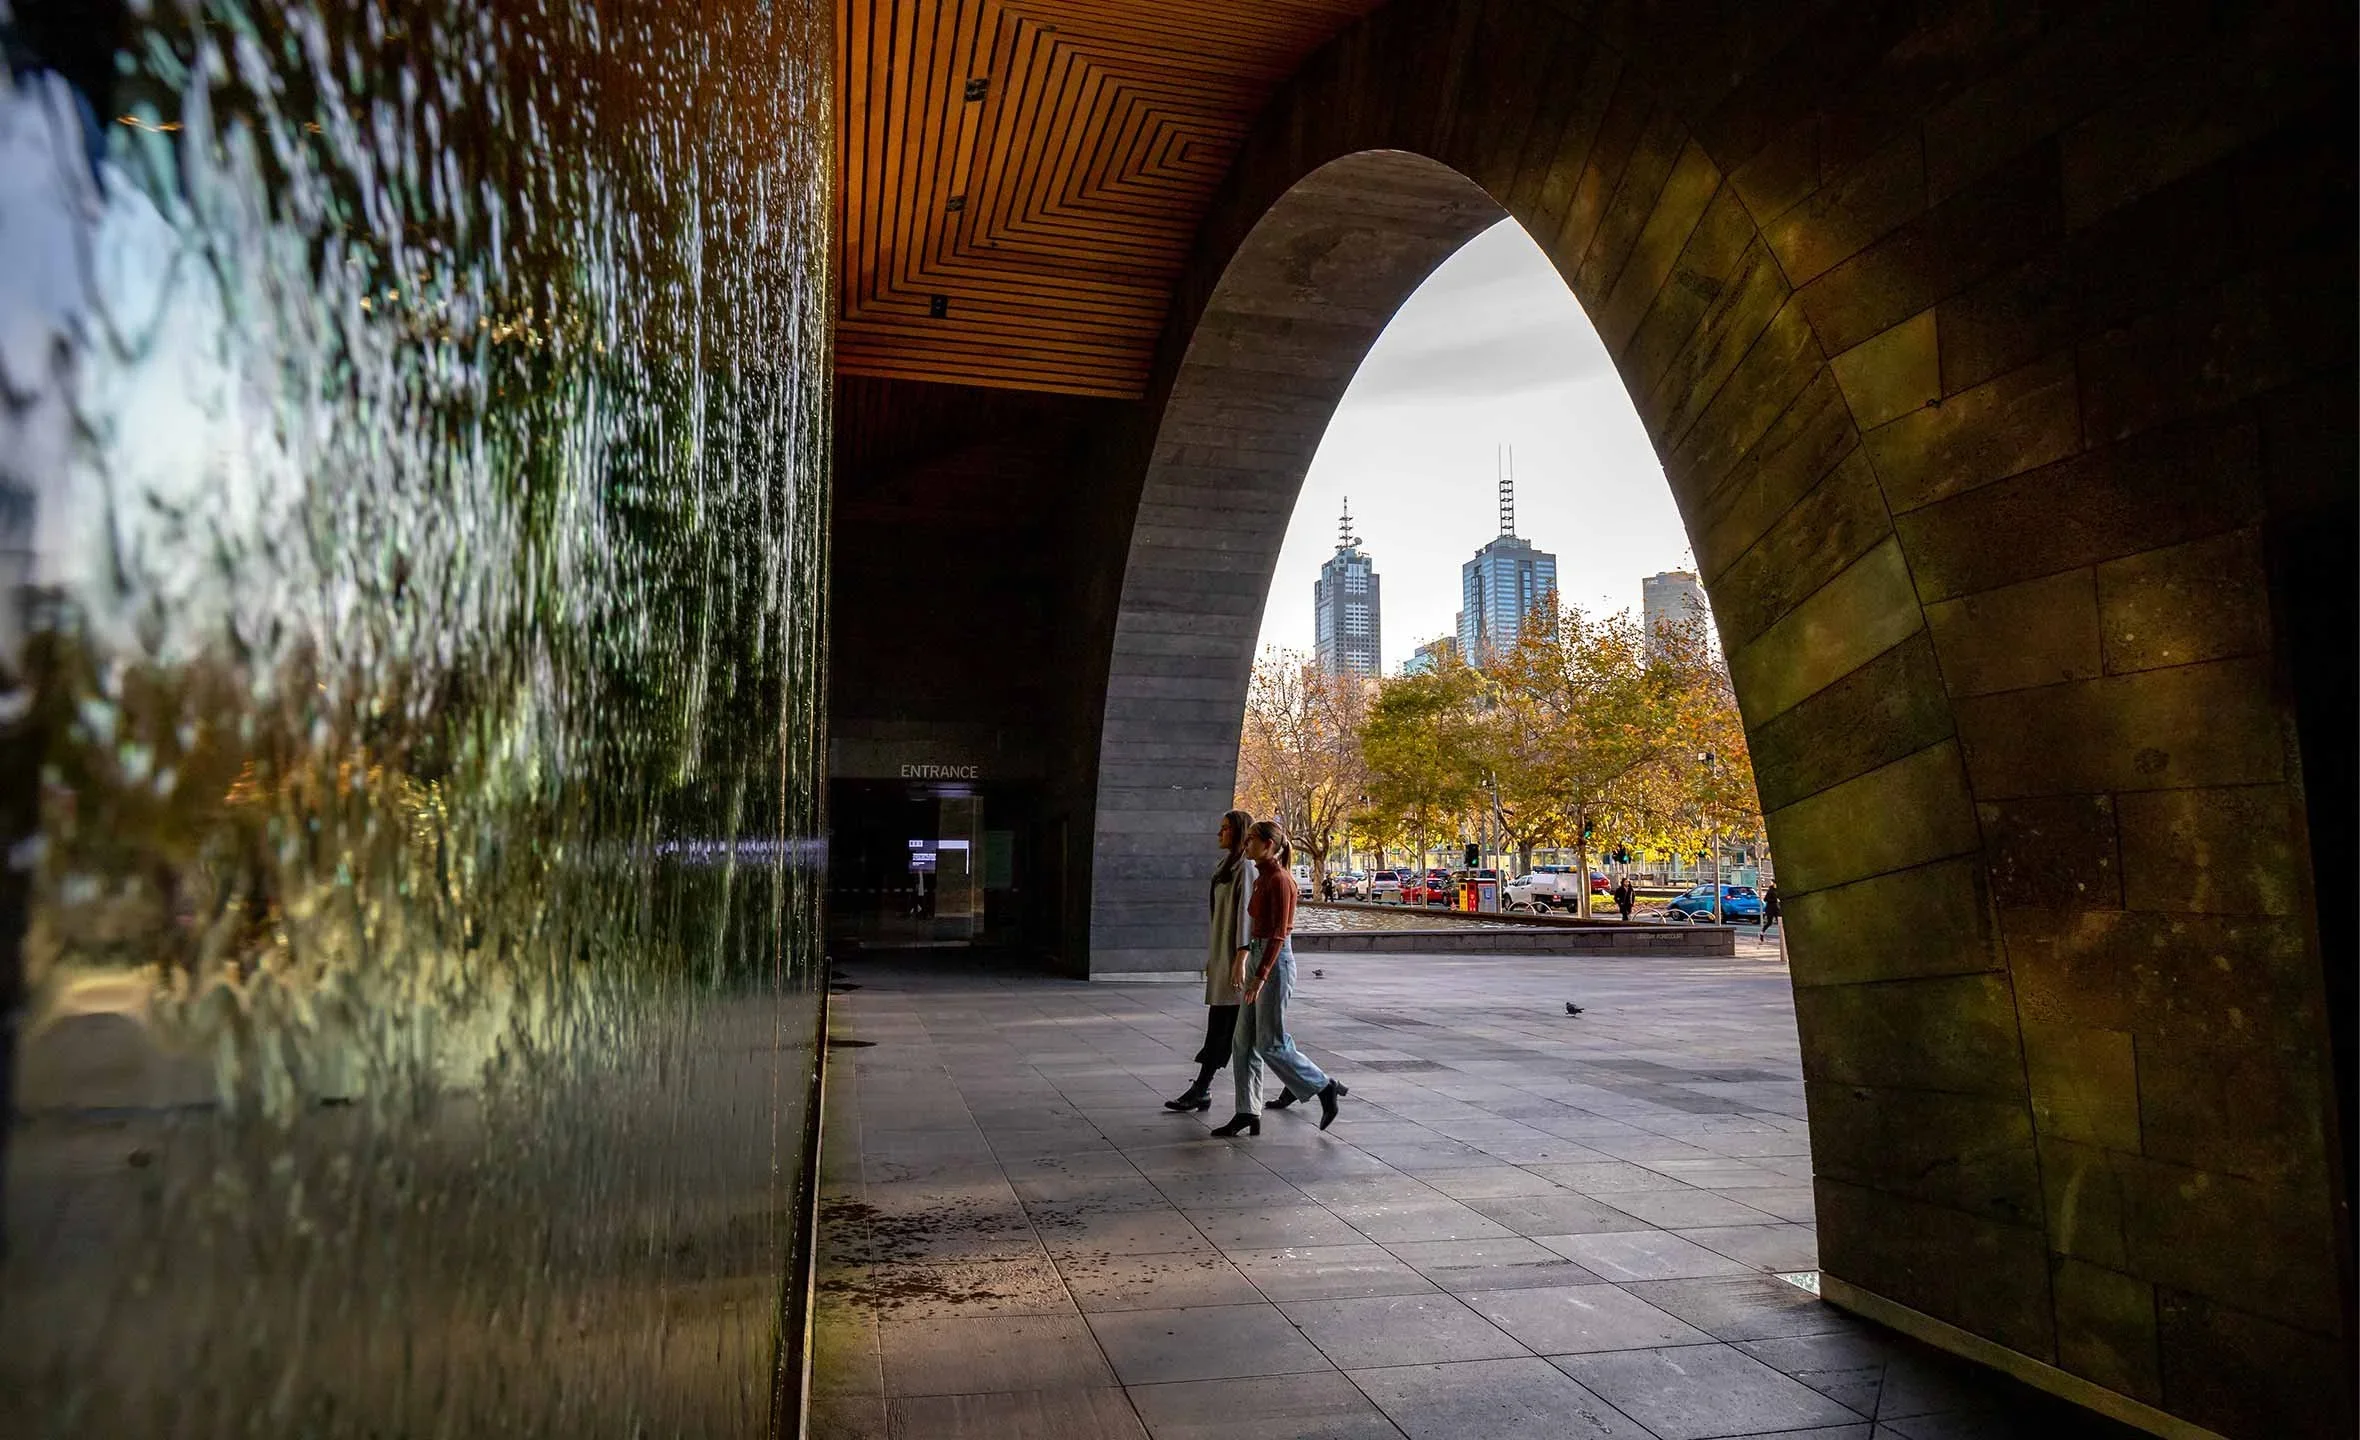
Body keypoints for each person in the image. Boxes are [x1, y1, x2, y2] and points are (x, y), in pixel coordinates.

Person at [1212, 819, 1348, 1136]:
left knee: (1269, 1042)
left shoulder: (1281, 881)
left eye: (1250, 840)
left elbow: (1277, 935)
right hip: (1261, 959)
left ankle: (1324, 1085)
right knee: (1242, 1042)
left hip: (1274, 964)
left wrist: (1260, 976)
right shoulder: (1262, 878)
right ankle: (1247, 1111)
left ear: (1268, 845)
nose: (1245, 845)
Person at [1166, 809, 1256, 1112]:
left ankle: (1201, 1088)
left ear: (1239, 832)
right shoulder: (1224, 866)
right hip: (1222, 956)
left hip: (1233, 959)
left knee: (1227, 1028)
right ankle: (1201, 1088)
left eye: (1225, 829)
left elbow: (1246, 916)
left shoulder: (1246, 869)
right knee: (1225, 1026)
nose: (1219, 834)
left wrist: (1240, 956)